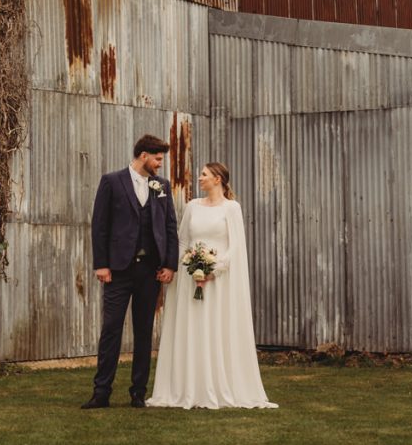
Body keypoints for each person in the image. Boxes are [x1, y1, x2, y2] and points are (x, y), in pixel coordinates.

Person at [147, 162, 277, 409]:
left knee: (215, 328)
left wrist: (211, 270)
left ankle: (218, 385)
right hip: (190, 280)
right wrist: (184, 266)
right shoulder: (193, 206)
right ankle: (188, 387)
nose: (199, 178)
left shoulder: (232, 208)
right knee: (192, 329)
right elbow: (184, 240)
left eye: (204, 175)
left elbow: (235, 247)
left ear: (218, 179)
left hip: (218, 283)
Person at [81, 134, 178, 409]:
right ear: (144, 155)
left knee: (144, 332)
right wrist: (101, 264)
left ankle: (138, 392)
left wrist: (169, 264)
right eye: (158, 159)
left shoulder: (162, 186)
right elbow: (99, 225)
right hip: (118, 271)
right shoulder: (112, 181)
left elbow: (169, 226)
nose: (160, 164)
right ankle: (101, 393)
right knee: (111, 329)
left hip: (150, 272)